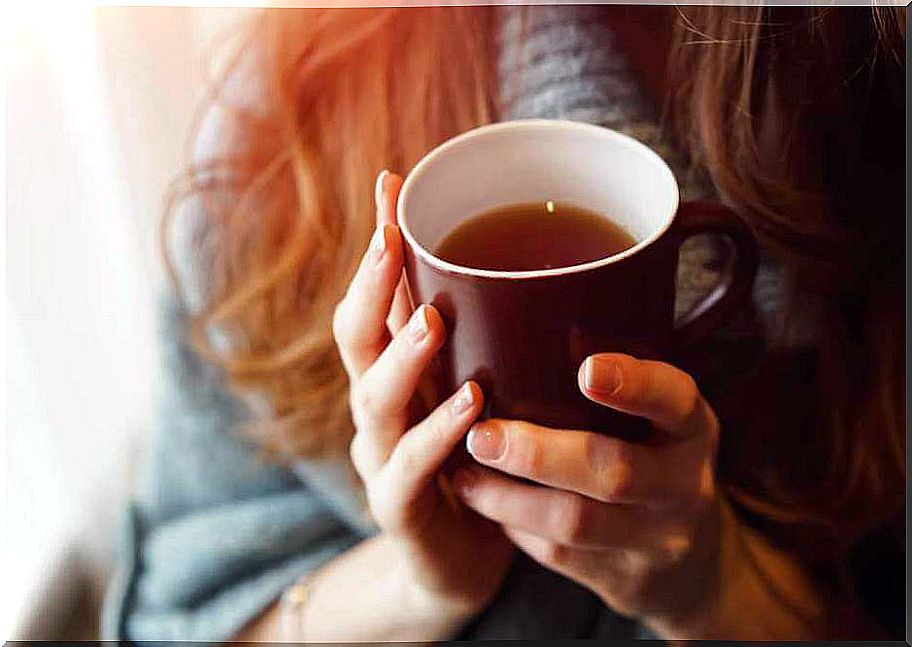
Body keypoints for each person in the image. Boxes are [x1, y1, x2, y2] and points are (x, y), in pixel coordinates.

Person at [101, 5, 905, 642]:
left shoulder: (877, 91)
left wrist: (721, 590)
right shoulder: (291, 110)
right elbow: (174, 619)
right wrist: (420, 584)